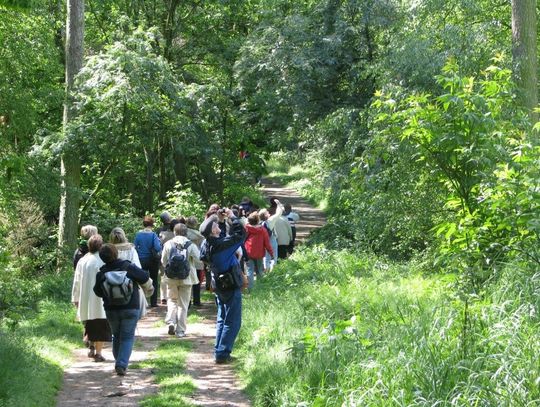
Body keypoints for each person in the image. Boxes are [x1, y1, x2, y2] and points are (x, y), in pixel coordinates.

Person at [93, 244, 151, 376]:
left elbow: (97, 291)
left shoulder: (102, 272)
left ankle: (119, 361)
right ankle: (121, 363)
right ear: (116, 253)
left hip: (111, 309)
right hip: (130, 307)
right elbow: (144, 277)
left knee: (116, 336)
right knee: (127, 337)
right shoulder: (128, 267)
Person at [200, 211, 247, 364]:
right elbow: (241, 234)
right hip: (230, 284)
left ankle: (219, 350)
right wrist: (233, 217)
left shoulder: (206, 244)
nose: (218, 225)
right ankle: (223, 353)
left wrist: (220, 218)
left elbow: (205, 254)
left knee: (222, 318)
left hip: (218, 285)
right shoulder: (221, 245)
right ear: (213, 230)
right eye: (216, 224)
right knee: (232, 320)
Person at [71, 234, 111, 362]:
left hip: (86, 299)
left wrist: (75, 298)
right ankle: (98, 352)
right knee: (101, 325)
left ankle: (91, 345)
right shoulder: (103, 260)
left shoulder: (83, 261)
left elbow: (76, 281)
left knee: (89, 323)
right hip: (100, 299)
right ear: (101, 246)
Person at [161, 223, 200, 337]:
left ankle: (171, 322)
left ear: (174, 232)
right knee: (183, 304)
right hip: (187, 277)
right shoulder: (190, 245)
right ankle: (180, 330)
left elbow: (163, 261)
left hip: (171, 277)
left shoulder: (168, 244)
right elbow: (199, 259)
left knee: (172, 300)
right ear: (186, 232)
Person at [110, 227, 150, 318]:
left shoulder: (109, 249)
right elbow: (138, 267)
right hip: (130, 284)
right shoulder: (131, 249)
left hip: (112, 284)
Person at [134, 216, 161, 307]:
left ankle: (143, 301)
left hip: (142, 259)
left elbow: (135, 246)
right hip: (152, 260)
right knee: (154, 279)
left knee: (142, 279)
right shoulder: (153, 235)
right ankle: (153, 302)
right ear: (152, 224)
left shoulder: (138, 234)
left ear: (143, 224)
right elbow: (157, 248)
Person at [244, 212, 274, 290]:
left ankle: (250, 289)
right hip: (259, 253)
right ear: (257, 220)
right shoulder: (262, 230)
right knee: (259, 271)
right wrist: (271, 253)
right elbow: (267, 243)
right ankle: (260, 289)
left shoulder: (246, 229)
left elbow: (242, 240)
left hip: (248, 252)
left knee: (250, 270)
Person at [186, 216, 205, 306]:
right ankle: (197, 301)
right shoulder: (200, 235)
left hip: (186, 259)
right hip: (197, 259)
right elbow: (203, 247)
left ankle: (188, 301)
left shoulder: (184, 233)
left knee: (188, 281)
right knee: (197, 281)